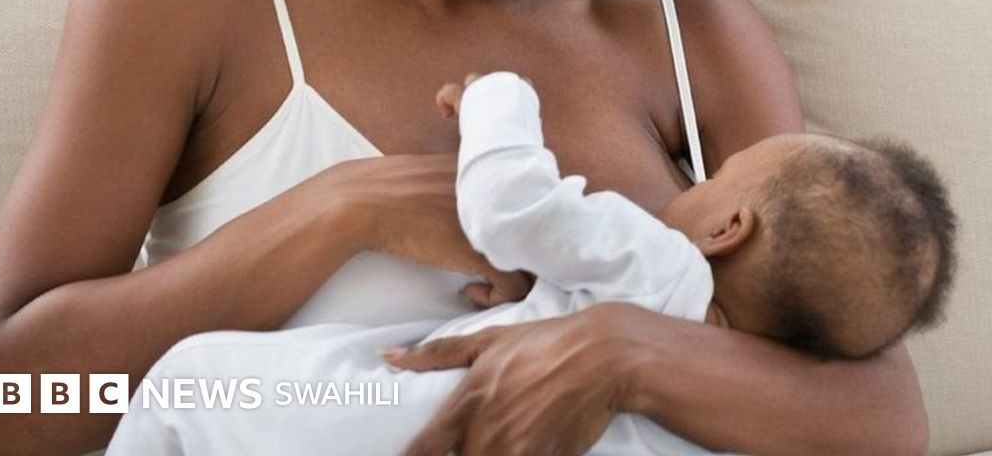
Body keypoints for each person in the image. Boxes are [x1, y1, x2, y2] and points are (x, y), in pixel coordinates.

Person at [0, 0, 929, 455]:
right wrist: (340, 212)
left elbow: (881, 415)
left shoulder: (691, 27)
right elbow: (2, 406)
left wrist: (620, 355)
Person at [104, 71, 955, 455]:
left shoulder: (659, 261)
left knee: (190, 386)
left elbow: (507, 205)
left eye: (713, 174)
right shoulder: (744, 421)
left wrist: (498, 101)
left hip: (380, 420)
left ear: (728, 227)